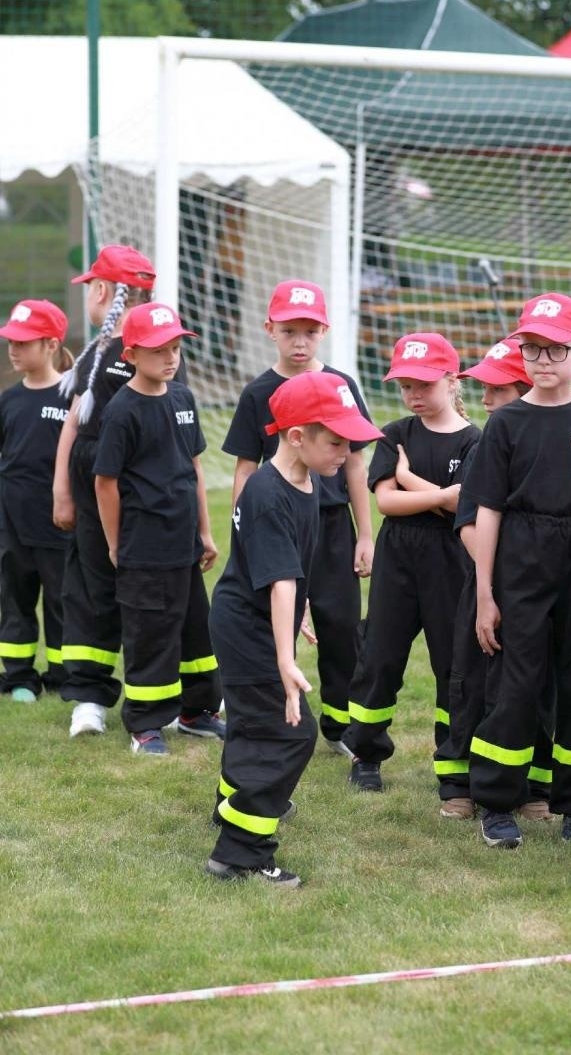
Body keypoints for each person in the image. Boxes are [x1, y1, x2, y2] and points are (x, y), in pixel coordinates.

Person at [206, 371, 383, 887]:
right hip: (247, 627)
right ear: (297, 436)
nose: (346, 453)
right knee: (291, 732)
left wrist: (299, 609)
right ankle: (240, 853)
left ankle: (232, 806)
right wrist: (285, 661)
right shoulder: (267, 494)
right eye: (337, 442)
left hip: (256, 617)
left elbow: (287, 570)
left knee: (252, 724)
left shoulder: (305, 480)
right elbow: (281, 581)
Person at [466, 293, 571, 850]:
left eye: (557, 349)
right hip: (523, 556)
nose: (543, 360)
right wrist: (485, 592)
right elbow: (487, 509)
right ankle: (497, 800)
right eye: (532, 348)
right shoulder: (506, 422)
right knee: (515, 680)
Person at [222, 280, 374, 755]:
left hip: (331, 526)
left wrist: (365, 535)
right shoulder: (258, 393)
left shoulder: (342, 386)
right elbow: (246, 468)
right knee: (277, 617)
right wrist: (243, 533)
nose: (300, 341)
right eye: (290, 331)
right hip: (280, 526)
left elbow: (355, 464)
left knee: (341, 626)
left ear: (324, 330)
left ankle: (340, 725)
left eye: (310, 331)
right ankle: (266, 708)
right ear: (270, 330)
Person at [342, 332, 482, 792]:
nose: (414, 394)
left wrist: (410, 481)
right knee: (379, 655)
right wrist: (441, 495)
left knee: (453, 662)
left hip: (451, 558)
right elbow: (386, 502)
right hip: (398, 555)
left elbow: (465, 509)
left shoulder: (474, 441)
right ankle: (366, 753)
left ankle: (454, 762)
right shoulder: (396, 434)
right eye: (406, 386)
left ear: (452, 380)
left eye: (424, 384)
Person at [93, 302, 222, 755]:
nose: (170, 358)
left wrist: (205, 533)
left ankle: (197, 711)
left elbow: (194, 467)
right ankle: (146, 724)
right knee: (150, 634)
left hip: (185, 544)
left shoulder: (183, 398)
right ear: (130, 355)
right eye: (158, 350)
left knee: (196, 631)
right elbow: (105, 482)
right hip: (144, 548)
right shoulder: (121, 411)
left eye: (175, 348)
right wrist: (115, 544)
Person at [434, 337, 555, 822]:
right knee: (472, 686)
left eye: (497, 390)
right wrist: (493, 579)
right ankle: (460, 784)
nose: (484, 400)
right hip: (489, 588)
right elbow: (467, 521)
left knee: (536, 686)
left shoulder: (554, 438)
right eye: (482, 389)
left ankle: (533, 787)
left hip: (539, 590)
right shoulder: (488, 443)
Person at [52, 244, 159, 737]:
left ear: (101, 291)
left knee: (145, 592)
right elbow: (74, 423)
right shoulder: (95, 354)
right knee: (91, 587)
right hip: (92, 488)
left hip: (139, 491)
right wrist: (62, 488)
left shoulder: (153, 353)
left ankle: (170, 697)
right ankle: (89, 697)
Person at [0, 300, 72, 701]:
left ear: (51, 344)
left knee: (62, 601)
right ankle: (19, 676)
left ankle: (62, 674)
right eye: (11, 341)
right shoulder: (8, 401)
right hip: (12, 525)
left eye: (23, 342)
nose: (13, 349)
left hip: (58, 526)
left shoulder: (71, 398)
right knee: (15, 600)